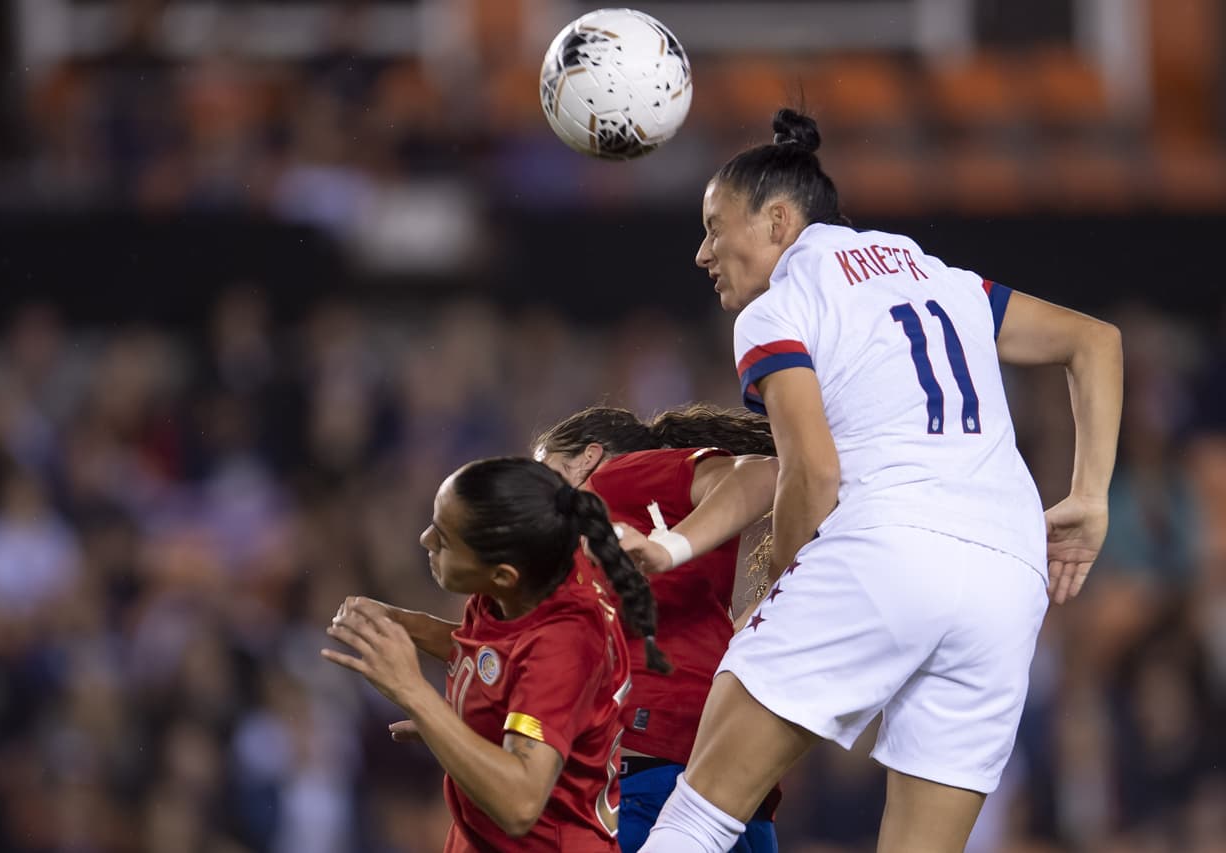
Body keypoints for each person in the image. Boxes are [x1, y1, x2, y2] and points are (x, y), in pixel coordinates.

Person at [638, 108, 1124, 853]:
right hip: (1009, 573)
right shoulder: (939, 276)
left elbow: (814, 468)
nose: (703, 253)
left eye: (714, 226)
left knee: (698, 814)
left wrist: (781, 590)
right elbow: (1095, 340)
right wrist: (1090, 495)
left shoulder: (782, 304)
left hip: (886, 543)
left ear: (776, 221)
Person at [322, 456, 670, 852]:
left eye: (444, 539)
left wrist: (415, 694)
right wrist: (405, 624)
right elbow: (502, 658)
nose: (425, 540)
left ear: (503, 574)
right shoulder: (535, 569)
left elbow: (520, 804)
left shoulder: (564, 645)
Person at [534, 404, 781, 853]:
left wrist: (667, 549)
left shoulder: (610, 483)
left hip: (652, 784)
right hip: (724, 777)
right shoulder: (623, 529)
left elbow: (761, 473)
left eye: (544, 469)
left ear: (588, 456)